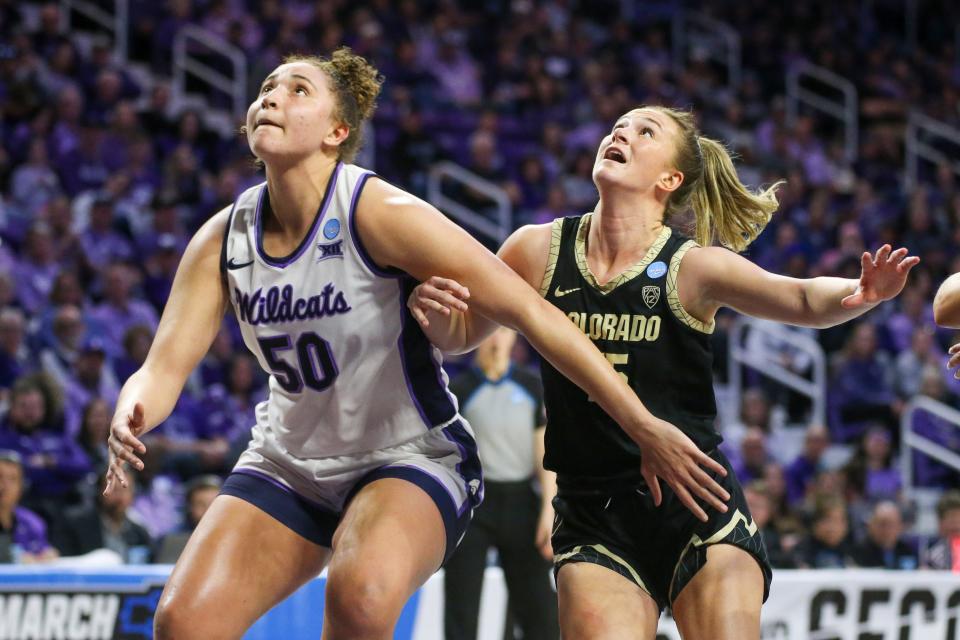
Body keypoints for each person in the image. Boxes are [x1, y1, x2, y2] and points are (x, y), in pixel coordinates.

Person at [104, 51, 728, 640]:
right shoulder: (223, 239)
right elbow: (161, 369)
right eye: (267, 88)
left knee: (361, 595)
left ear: (336, 132)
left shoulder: (379, 211)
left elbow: (533, 314)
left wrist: (642, 423)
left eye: (298, 90)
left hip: (406, 456)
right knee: (182, 624)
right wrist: (133, 410)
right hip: (289, 462)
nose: (272, 97)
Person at [409, 105, 919, 639]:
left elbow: (798, 297)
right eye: (617, 128)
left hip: (696, 503)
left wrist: (860, 295)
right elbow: (463, 336)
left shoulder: (692, 266)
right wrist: (439, 317)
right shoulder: (536, 248)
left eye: (644, 131)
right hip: (592, 512)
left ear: (669, 179)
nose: (621, 133)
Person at [443, 328, 558, 640]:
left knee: (540, 613)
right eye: (488, 332)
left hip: (521, 501)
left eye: (503, 332)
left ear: (513, 339)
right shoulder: (459, 389)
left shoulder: (531, 385)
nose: (495, 339)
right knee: (461, 610)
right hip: (473, 505)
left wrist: (549, 509)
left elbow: (544, 453)